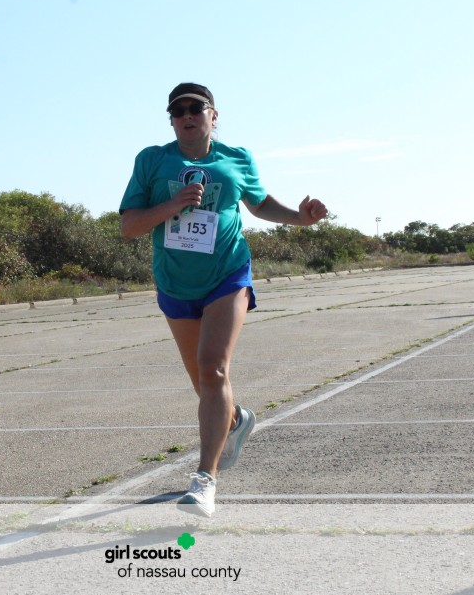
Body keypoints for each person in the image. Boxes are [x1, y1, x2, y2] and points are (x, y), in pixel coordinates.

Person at [119, 83, 328, 517]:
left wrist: (299, 218)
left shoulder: (236, 157)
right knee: (203, 382)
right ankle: (234, 420)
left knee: (214, 368)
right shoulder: (152, 160)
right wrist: (172, 204)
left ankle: (204, 481)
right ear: (171, 120)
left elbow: (260, 203)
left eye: (196, 108)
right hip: (175, 282)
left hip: (227, 274)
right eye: (178, 111)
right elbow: (129, 227)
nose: (187, 115)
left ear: (214, 116)